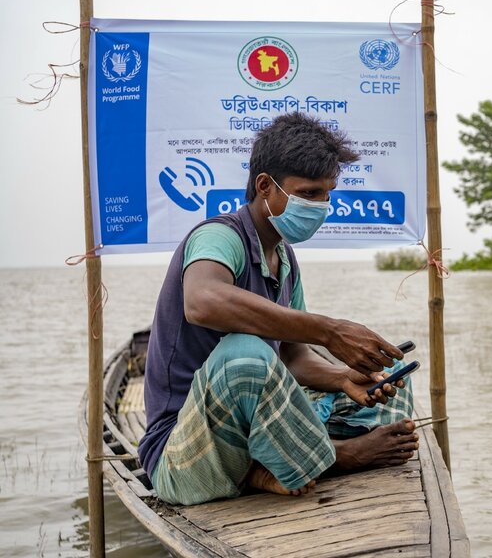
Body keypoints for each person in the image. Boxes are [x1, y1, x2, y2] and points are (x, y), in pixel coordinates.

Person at [137, 112, 419, 506]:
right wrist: (328, 331)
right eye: (308, 193)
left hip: (247, 425)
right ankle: (338, 455)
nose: (322, 205)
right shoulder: (219, 236)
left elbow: (292, 354)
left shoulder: (283, 256)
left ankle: (272, 463)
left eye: (327, 194)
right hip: (183, 453)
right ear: (265, 186)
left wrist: (343, 378)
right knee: (245, 354)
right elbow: (201, 301)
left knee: (385, 376)